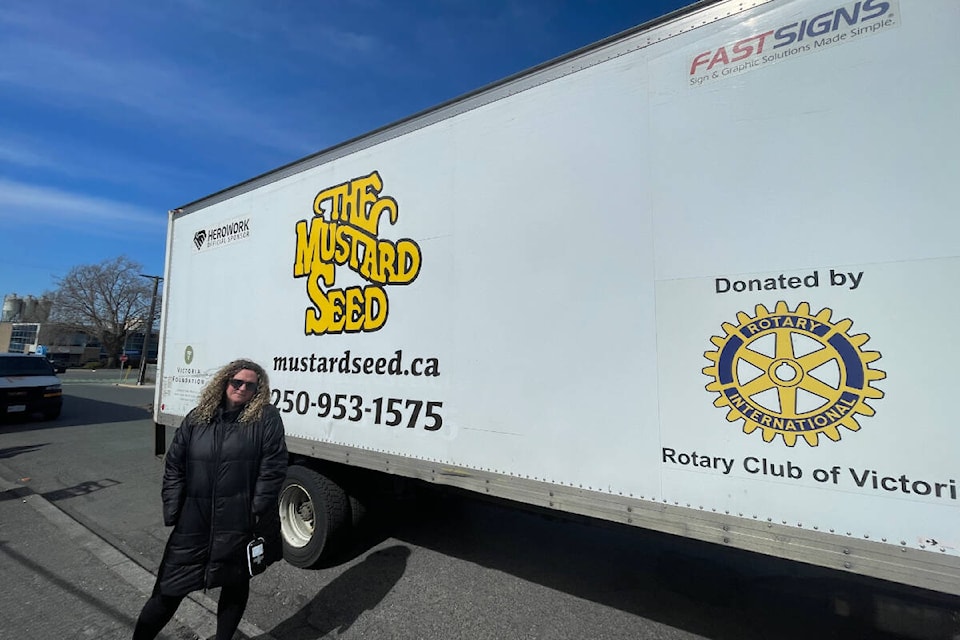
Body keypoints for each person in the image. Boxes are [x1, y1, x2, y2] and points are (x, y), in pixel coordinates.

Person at [133, 359, 288, 640]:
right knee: (169, 589)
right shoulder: (198, 417)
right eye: (236, 382)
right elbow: (174, 466)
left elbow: (273, 467)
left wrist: (255, 510)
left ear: (258, 390)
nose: (241, 388)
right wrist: (173, 508)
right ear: (224, 382)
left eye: (249, 385)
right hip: (194, 520)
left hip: (238, 521)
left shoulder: (265, 418)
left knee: (235, 584)